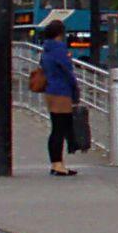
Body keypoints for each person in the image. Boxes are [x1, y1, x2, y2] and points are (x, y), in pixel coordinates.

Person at [39, 20, 81, 176]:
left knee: (56, 127)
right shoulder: (59, 49)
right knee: (60, 129)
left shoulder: (46, 49)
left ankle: (56, 163)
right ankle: (58, 164)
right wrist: (75, 89)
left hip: (50, 90)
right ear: (60, 33)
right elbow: (68, 71)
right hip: (61, 92)